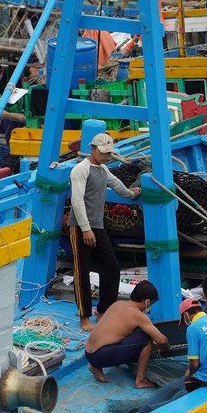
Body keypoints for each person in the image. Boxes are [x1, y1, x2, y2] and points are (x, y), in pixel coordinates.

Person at [69, 133, 141, 331]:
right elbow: (77, 201)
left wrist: (130, 193)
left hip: (98, 226)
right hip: (80, 226)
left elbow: (116, 184)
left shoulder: (103, 169)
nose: (107, 156)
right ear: (92, 149)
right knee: (81, 271)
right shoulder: (80, 170)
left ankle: (103, 310)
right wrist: (85, 229)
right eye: (104, 153)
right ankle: (84, 315)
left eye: (110, 153)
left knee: (111, 268)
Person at [84, 281, 170, 388]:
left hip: (88, 353)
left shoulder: (117, 304)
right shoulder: (137, 315)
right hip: (102, 354)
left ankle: (95, 366)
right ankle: (141, 380)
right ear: (147, 302)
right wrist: (166, 348)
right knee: (146, 337)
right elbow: (161, 340)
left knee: (132, 332)